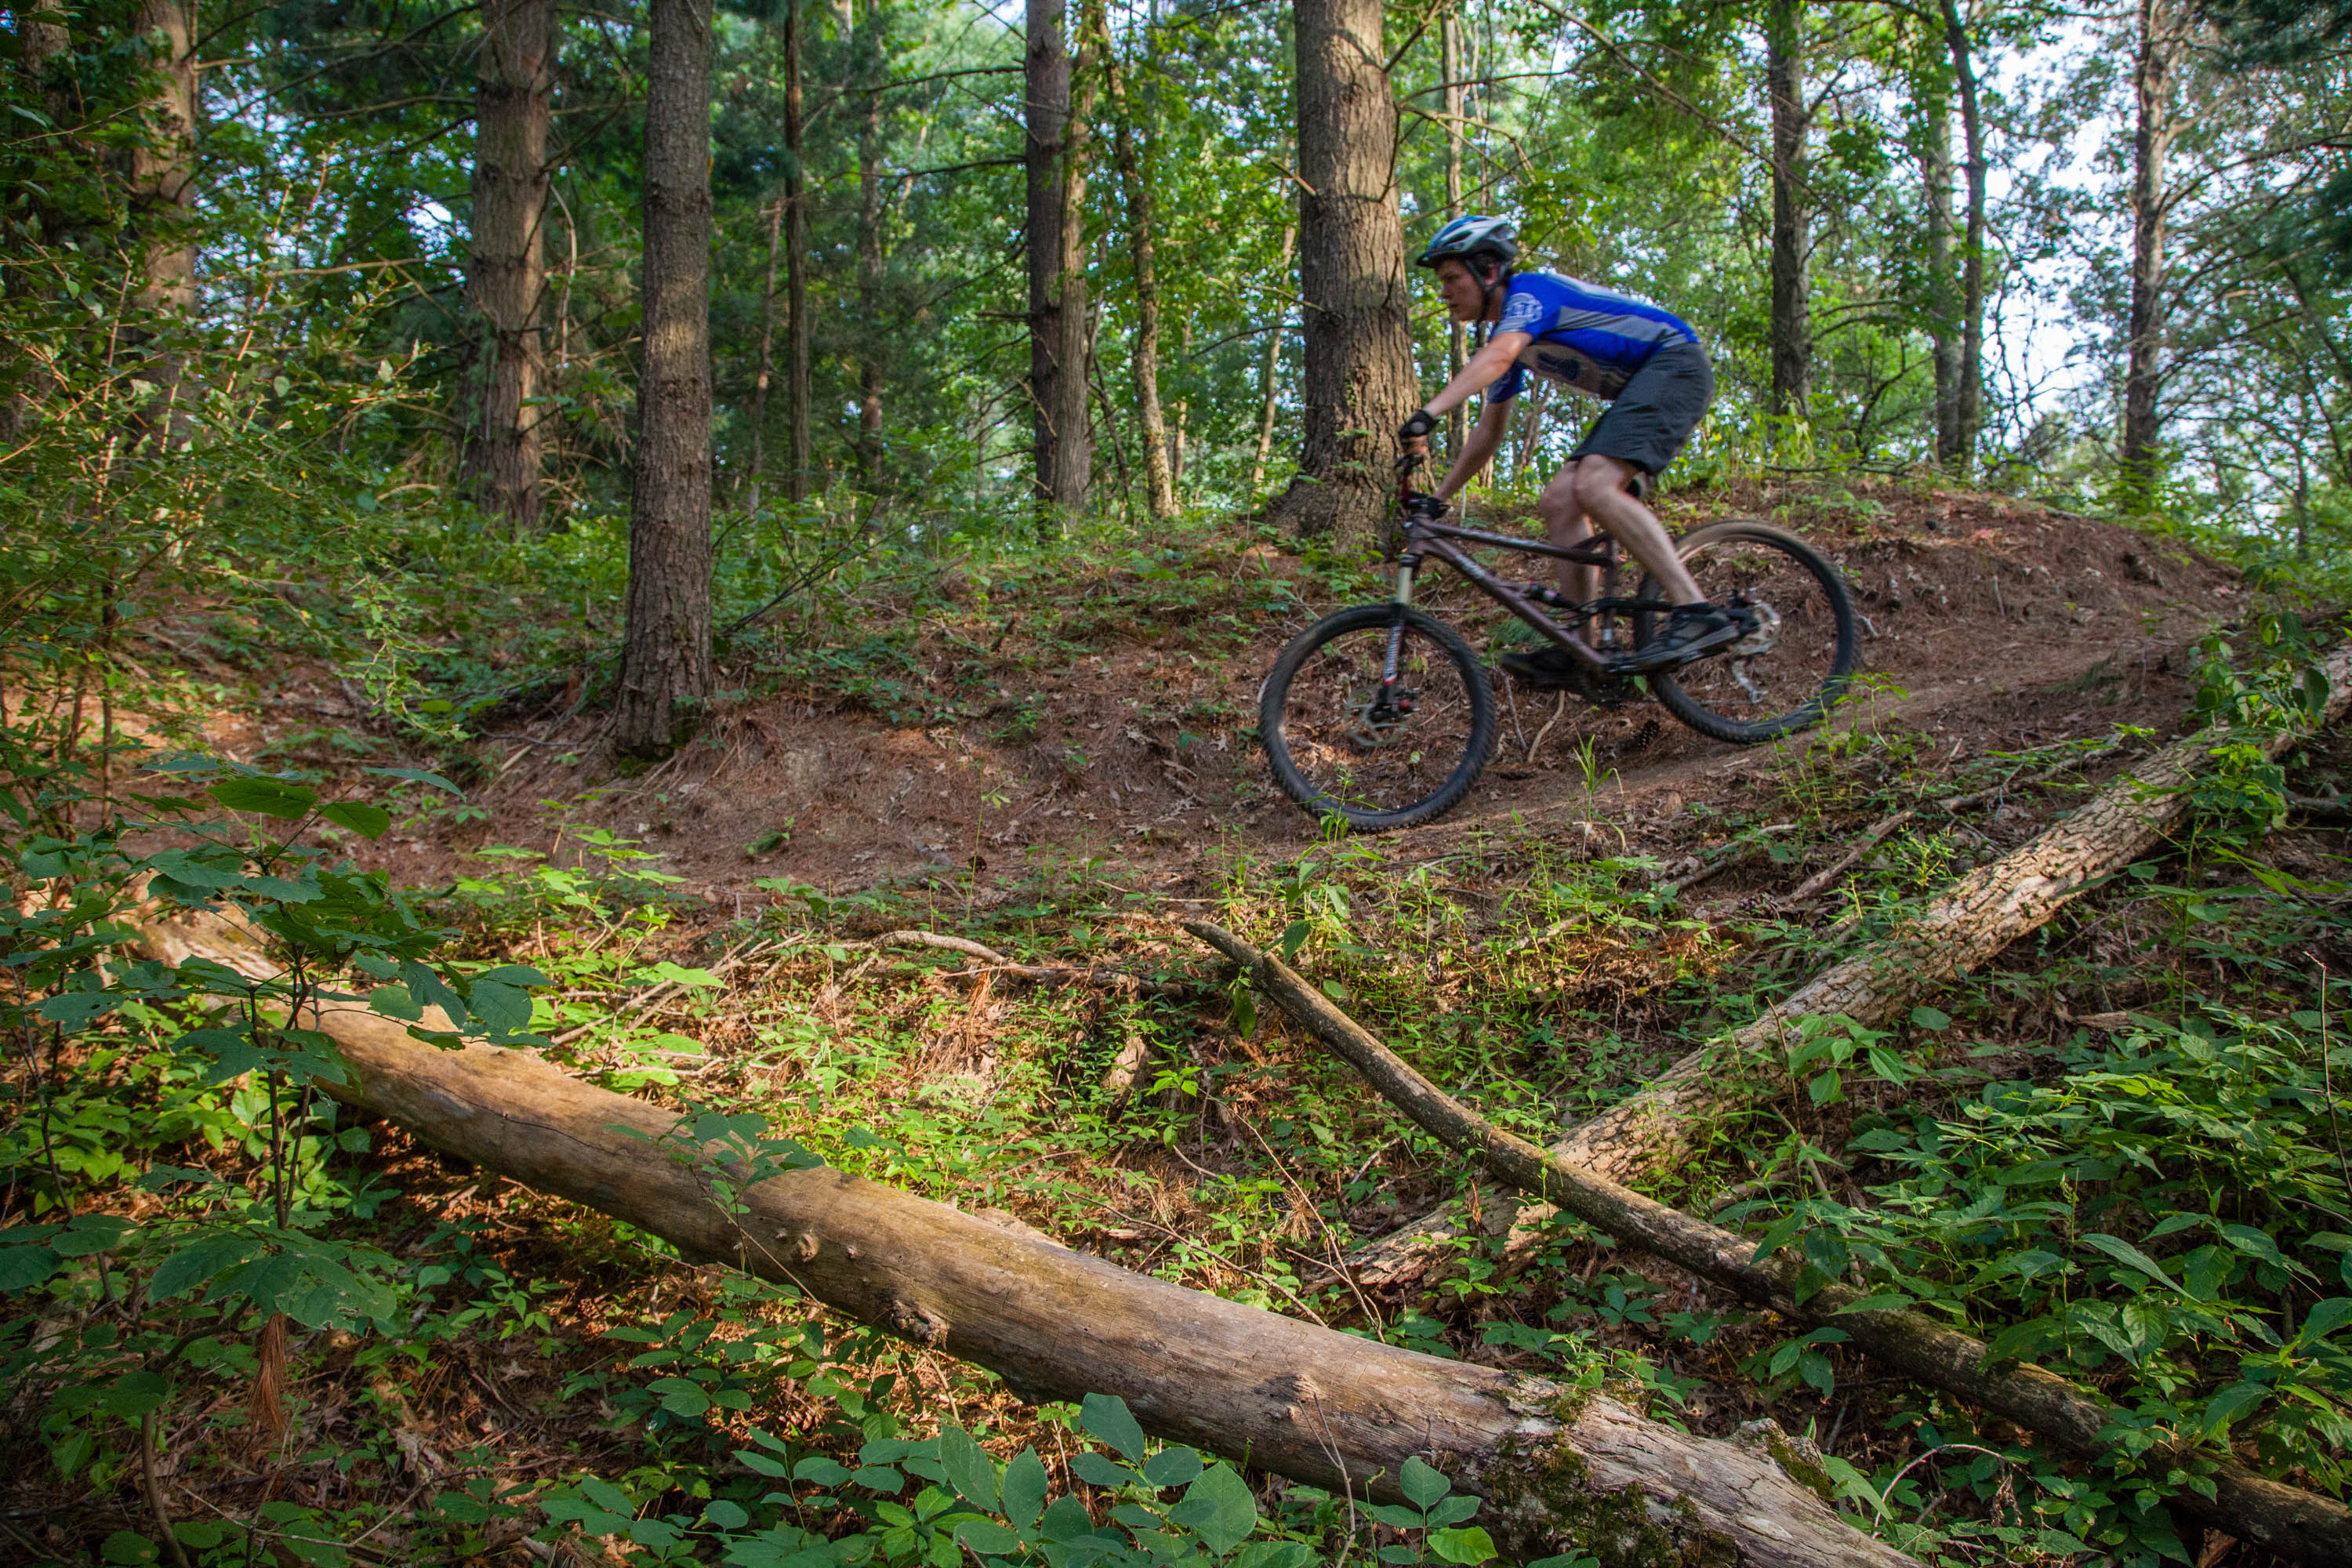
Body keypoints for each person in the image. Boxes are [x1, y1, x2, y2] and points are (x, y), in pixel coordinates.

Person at [1396, 215, 1733, 679]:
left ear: (1488, 270)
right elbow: (1487, 435)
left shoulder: (1532, 295)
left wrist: (1429, 412)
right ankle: (1582, 647)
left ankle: (1696, 612)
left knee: (1595, 484)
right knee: (1557, 499)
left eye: (1452, 278)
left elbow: (1496, 359)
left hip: (1674, 363)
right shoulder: (1512, 339)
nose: (1444, 291)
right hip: (1641, 388)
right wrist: (1439, 499)